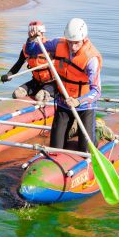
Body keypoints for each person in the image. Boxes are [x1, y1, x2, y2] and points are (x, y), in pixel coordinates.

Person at [25, 18, 102, 153]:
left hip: (84, 104)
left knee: (85, 150)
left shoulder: (91, 58)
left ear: (84, 39)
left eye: (76, 43)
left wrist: (78, 101)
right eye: (70, 42)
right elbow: (32, 51)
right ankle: (71, 132)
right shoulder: (58, 43)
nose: (72, 47)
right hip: (63, 102)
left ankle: (97, 133)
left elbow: (97, 91)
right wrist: (31, 40)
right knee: (56, 148)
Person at [0, 21, 56, 101]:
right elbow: (19, 64)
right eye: (32, 36)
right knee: (17, 94)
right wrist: (9, 75)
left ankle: (52, 96)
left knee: (39, 97)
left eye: (37, 35)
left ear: (43, 34)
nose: (35, 38)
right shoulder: (26, 49)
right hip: (36, 82)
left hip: (52, 83)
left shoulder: (51, 47)